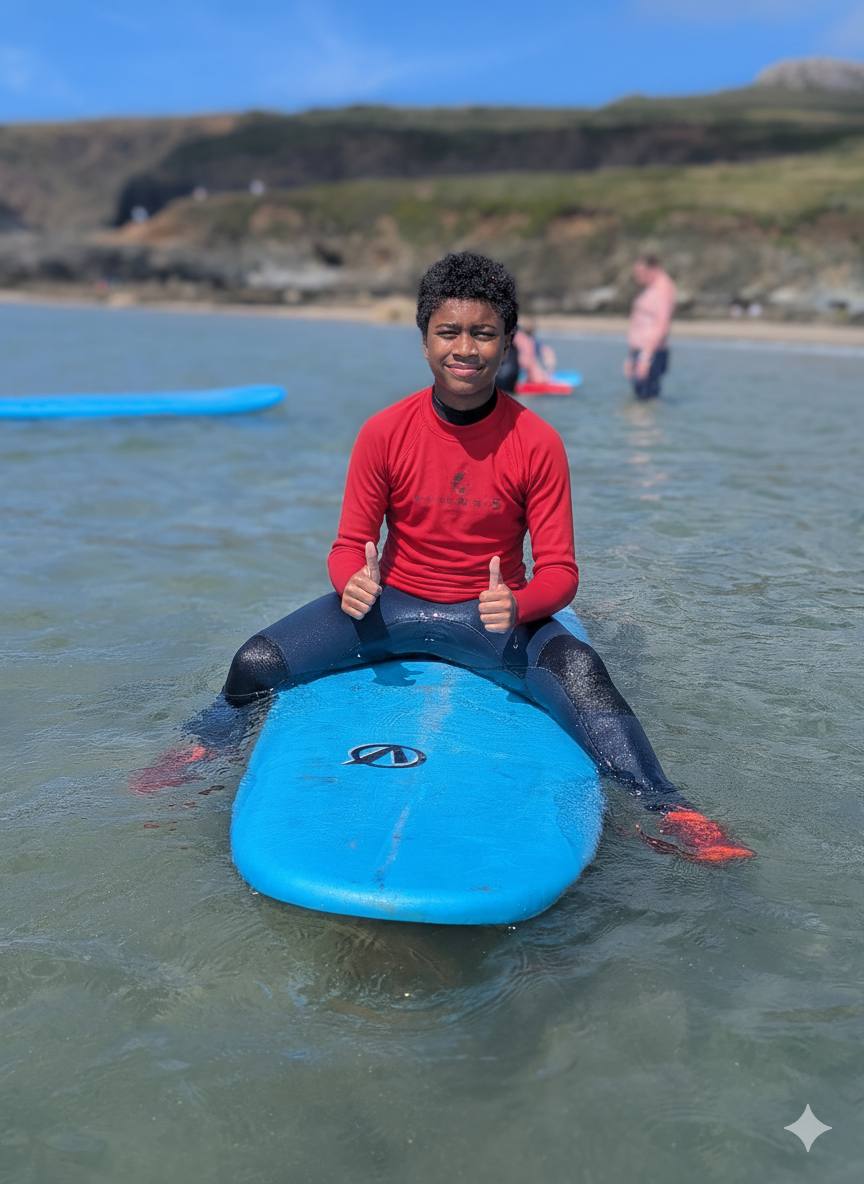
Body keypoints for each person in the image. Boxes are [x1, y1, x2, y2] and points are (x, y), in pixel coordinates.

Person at [134, 251, 752, 864]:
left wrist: (519, 605)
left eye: (484, 333)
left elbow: (561, 571)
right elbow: (348, 545)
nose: (465, 348)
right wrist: (351, 582)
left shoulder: (536, 442)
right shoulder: (384, 432)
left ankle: (667, 808)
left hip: (492, 620)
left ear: (507, 342)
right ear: (425, 340)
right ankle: (207, 745)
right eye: (448, 332)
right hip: (390, 607)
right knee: (255, 661)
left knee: (585, 673)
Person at [624, 254, 676, 400]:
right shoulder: (652, 288)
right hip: (641, 352)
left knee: (647, 400)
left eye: (641, 273)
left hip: (651, 352)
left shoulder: (663, 289)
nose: (637, 277)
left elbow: (662, 325)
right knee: (640, 399)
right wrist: (632, 356)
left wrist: (645, 357)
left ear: (654, 269)